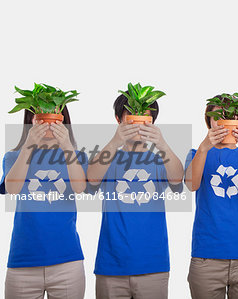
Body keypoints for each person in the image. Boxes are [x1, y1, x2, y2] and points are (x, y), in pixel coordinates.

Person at [87, 92, 184, 299]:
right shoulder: (107, 158)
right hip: (111, 264)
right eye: (131, 119)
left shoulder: (160, 160)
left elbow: (177, 179)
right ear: (118, 121)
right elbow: (92, 179)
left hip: (153, 265)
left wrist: (162, 145)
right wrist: (114, 142)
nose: (138, 126)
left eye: (145, 120)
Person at [184, 94, 238, 299]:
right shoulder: (197, 153)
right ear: (209, 122)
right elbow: (191, 185)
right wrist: (204, 147)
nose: (224, 123)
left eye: (230, 117)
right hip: (206, 257)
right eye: (217, 117)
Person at [1, 108, 87, 299]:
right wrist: (29, 145)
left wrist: (66, 145)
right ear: (31, 120)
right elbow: (12, 189)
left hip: (67, 261)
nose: (48, 123)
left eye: (54, 117)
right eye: (41, 116)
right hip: (22, 262)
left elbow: (80, 187)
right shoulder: (13, 157)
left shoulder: (76, 157)